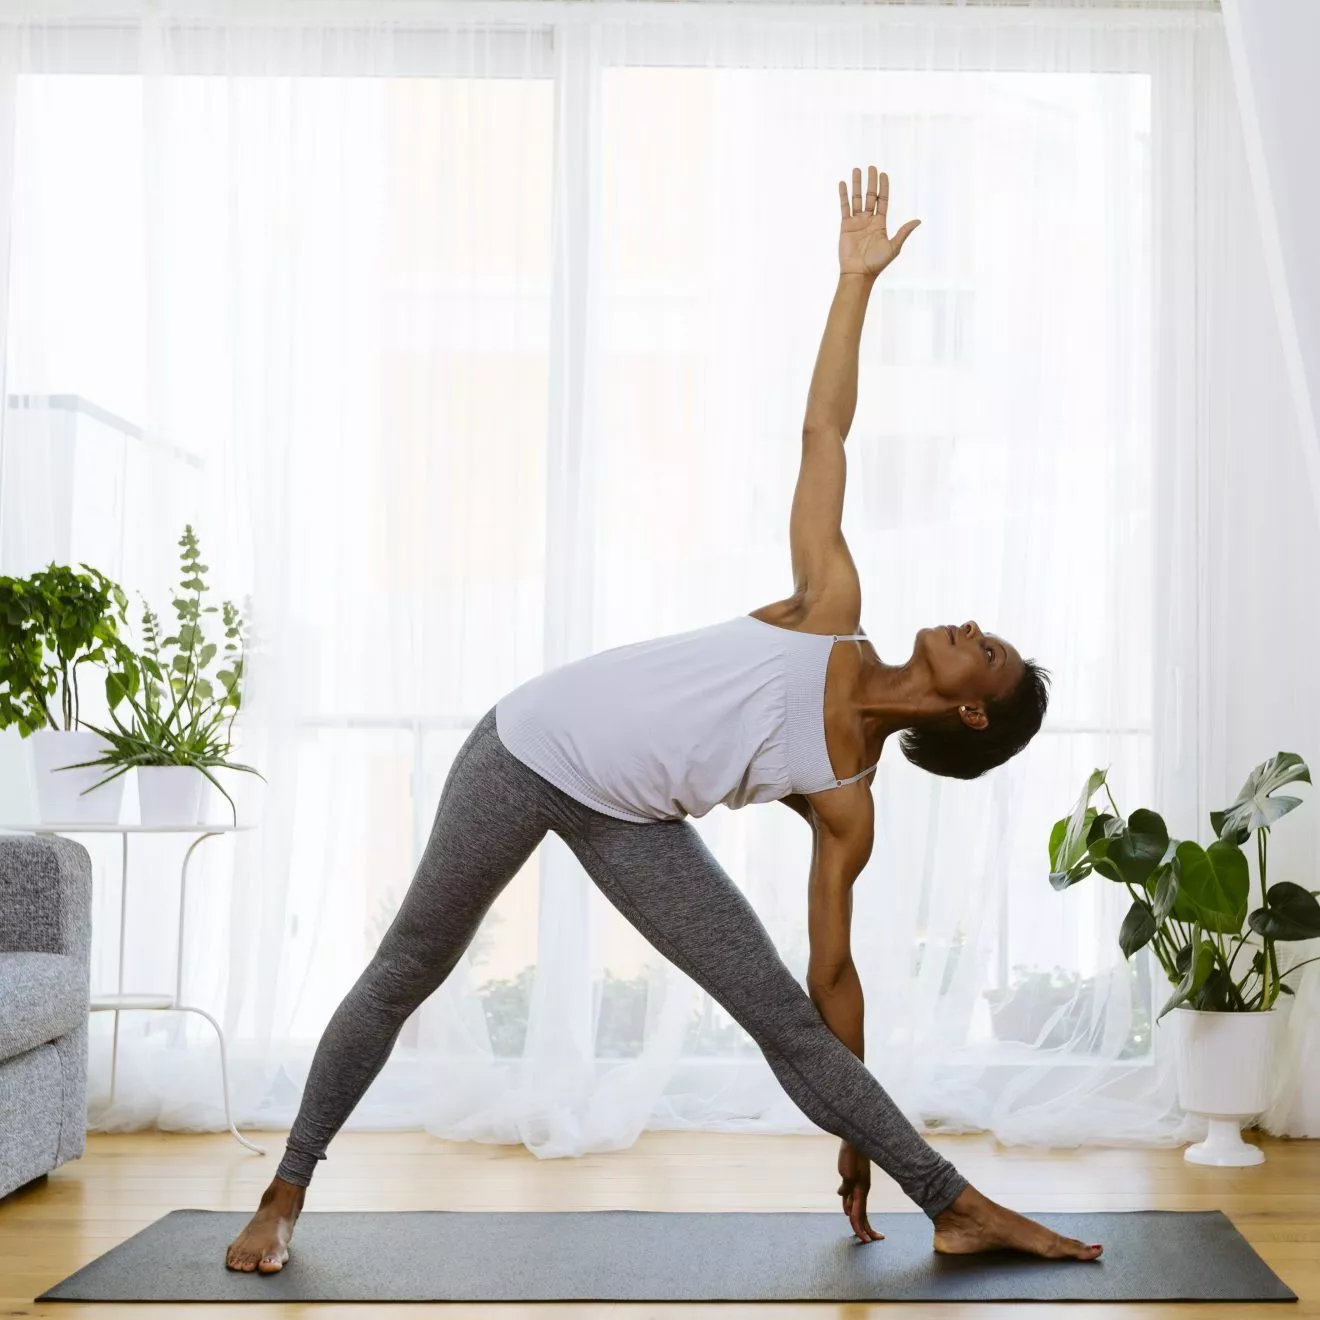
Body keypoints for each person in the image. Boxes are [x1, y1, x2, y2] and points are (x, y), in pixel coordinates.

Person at [226, 165, 1103, 1274]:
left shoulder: (847, 805)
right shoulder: (829, 611)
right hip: (529, 747)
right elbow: (824, 433)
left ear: (973, 711)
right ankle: (283, 1192)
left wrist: (857, 1126)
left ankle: (954, 1203)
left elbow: (832, 983)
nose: (970, 625)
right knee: (408, 967)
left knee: (779, 1015)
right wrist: (855, 284)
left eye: (987, 646)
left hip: (631, 819)